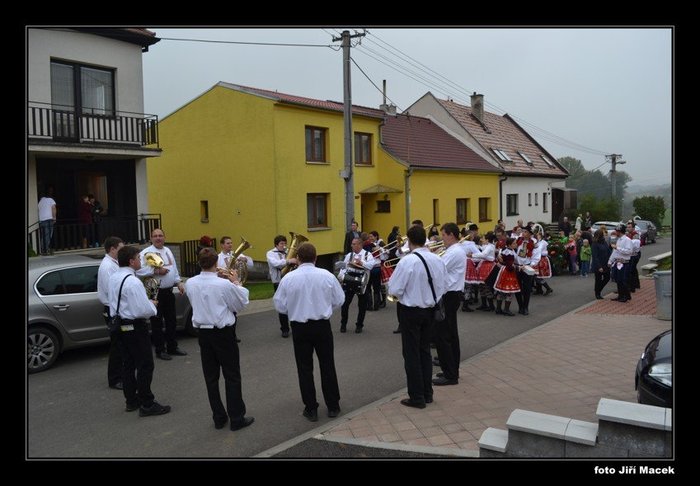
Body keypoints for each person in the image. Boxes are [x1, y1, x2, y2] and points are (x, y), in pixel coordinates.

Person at [273, 242, 345, 421]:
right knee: (327, 365)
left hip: (300, 327)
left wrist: (295, 308)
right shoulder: (327, 275)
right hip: (322, 325)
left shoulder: (288, 278)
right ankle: (333, 406)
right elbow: (339, 299)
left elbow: (280, 305)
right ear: (316, 258)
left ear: (297, 258)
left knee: (304, 368)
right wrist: (325, 308)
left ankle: (311, 408)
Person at [186, 247, 254, 431]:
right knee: (232, 376)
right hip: (223, 333)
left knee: (211, 378)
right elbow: (241, 303)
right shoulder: (223, 285)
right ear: (216, 263)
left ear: (199, 263)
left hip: (203, 334)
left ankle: (219, 417)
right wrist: (236, 282)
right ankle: (236, 418)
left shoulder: (190, 283)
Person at [388, 225, 447, 409]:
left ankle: (417, 397)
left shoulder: (407, 261)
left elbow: (394, 289)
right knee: (425, 351)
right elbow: (443, 285)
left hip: (411, 311)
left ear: (410, 241)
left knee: (411, 354)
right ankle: (427, 393)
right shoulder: (437, 259)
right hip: (430, 310)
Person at [109, 245, 171, 417]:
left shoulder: (114, 277)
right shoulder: (133, 281)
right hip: (135, 327)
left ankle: (131, 401)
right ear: (131, 261)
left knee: (128, 364)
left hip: (121, 325)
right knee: (145, 365)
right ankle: (147, 403)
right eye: (138, 258)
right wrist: (153, 304)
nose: (140, 261)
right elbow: (142, 310)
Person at [137, 228, 188, 360]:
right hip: (154, 291)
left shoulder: (168, 250)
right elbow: (138, 271)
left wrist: (179, 282)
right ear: (151, 238)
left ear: (164, 237)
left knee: (171, 320)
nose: (158, 238)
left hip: (168, 290)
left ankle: (172, 347)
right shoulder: (145, 253)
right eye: (155, 236)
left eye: (160, 235)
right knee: (157, 322)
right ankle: (160, 350)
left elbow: (174, 269)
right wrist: (156, 271)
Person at [432, 223, 465, 386]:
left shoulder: (455, 251)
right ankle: (450, 369)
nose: (442, 238)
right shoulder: (452, 250)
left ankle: (451, 375)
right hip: (450, 294)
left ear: (451, 235)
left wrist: (429, 255)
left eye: (443, 235)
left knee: (445, 335)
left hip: (450, 295)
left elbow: (438, 268)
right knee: (449, 334)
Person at [98, 236, 125, 390]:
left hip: (115, 308)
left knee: (121, 344)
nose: (123, 251)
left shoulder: (113, 263)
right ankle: (115, 379)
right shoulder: (108, 266)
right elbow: (113, 291)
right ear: (112, 249)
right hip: (112, 309)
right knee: (117, 345)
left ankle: (121, 374)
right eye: (121, 248)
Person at [339, 237, 377, 333]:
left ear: (359, 245)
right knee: (345, 304)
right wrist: (341, 276)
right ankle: (343, 324)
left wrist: (361, 262)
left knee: (362, 305)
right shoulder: (349, 255)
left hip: (362, 283)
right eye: (352, 244)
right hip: (349, 281)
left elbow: (371, 265)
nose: (351, 245)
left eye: (353, 244)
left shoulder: (368, 254)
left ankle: (359, 325)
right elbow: (344, 267)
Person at [267, 235, 295, 338]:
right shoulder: (270, 253)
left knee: (293, 304)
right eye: (281, 244)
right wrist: (289, 261)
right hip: (278, 282)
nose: (284, 246)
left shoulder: (288, 252)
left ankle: (295, 326)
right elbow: (276, 264)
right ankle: (285, 329)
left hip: (290, 281)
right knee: (282, 305)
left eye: (285, 243)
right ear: (276, 244)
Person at [514, 225, 540, 315]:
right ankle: (520, 306)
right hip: (518, 266)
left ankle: (525, 307)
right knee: (517, 287)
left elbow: (536, 257)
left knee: (527, 288)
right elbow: (513, 250)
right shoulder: (518, 240)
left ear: (530, 234)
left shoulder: (533, 243)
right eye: (523, 231)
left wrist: (530, 265)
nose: (523, 233)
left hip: (527, 266)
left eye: (525, 232)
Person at [608, 224, 634, 302]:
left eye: (617, 231)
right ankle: (621, 295)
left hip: (624, 262)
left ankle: (626, 296)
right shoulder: (619, 240)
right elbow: (615, 252)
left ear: (620, 231)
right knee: (618, 280)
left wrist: (617, 248)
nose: (615, 232)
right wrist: (610, 261)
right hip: (618, 262)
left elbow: (629, 251)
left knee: (623, 280)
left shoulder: (627, 240)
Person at [591, 229, 611, 299]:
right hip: (598, 264)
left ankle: (598, 289)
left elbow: (608, 251)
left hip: (606, 263)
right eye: (602, 234)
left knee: (607, 278)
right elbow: (595, 256)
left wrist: (610, 261)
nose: (604, 235)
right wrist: (599, 266)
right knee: (598, 279)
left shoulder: (604, 242)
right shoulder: (594, 244)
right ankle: (597, 293)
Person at [38, 187, 57, 255]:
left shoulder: (40, 202)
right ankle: (45, 250)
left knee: (44, 235)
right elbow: (53, 208)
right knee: (48, 235)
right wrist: (54, 218)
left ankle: (42, 249)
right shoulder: (50, 200)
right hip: (48, 219)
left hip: (41, 220)